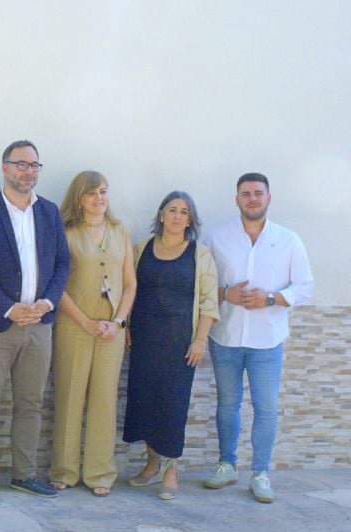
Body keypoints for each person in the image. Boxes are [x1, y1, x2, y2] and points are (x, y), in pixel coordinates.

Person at [0, 140, 70, 503]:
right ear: (5, 167)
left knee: (30, 403)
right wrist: (8, 307)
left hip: (39, 324)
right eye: (21, 164)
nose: (28, 171)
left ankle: (24, 475)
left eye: (34, 165)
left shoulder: (50, 213)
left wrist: (47, 302)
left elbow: (61, 264)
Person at [202, 173, 314, 503]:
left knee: (265, 408)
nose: (252, 198)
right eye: (246, 193)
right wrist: (226, 294)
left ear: (268, 198)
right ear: (236, 199)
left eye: (258, 193)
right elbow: (204, 284)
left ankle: (260, 473)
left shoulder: (289, 240)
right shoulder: (217, 238)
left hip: (268, 340)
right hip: (226, 336)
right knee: (227, 404)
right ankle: (227, 464)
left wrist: (271, 298)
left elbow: (304, 286)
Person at [123, 191, 219, 499]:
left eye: (184, 212)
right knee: (145, 402)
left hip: (180, 343)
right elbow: (129, 290)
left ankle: (171, 469)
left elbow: (208, 300)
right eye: (172, 210)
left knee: (173, 405)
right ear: (161, 214)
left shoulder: (199, 254)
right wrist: (125, 325)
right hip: (144, 340)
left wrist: (200, 339)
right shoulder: (141, 249)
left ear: (190, 220)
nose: (178, 216)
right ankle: (152, 464)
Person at [48, 171, 137, 497]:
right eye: (91, 193)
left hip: (111, 330)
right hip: (74, 326)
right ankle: (63, 470)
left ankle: (100, 473)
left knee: (104, 400)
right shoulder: (64, 231)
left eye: (103, 191)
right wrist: (85, 322)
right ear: (79, 198)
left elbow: (130, 283)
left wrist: (118, 322)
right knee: (69, 398)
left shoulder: (120, 231)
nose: (99, 198)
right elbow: (55, 286)